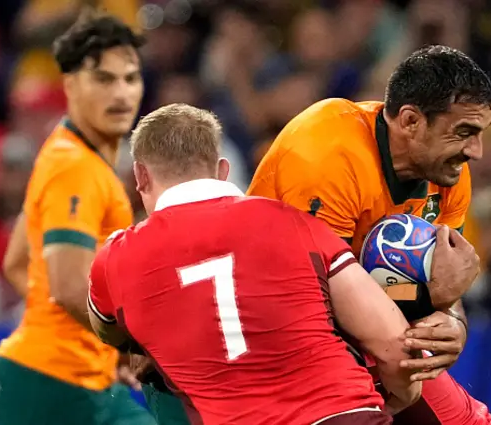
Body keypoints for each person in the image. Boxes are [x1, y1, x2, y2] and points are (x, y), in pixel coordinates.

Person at [87, 103, 423, 425]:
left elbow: (107, 330)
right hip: (342, 415)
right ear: (222, 170)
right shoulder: (294, 222)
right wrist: (398, 399)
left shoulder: (115, 258)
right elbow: (394, 345)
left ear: (140, 176)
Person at [248, 45, 491, 424]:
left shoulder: (447, 172)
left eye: (479, 133)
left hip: (368, 336)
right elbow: (314, 302)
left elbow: (445, 283)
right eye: (464, 132)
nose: (476, 152)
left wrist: (452, 323)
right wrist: (428, 297)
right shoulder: (328, 155)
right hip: (274, 336)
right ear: (411, 121)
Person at [0, 11, 157, 425]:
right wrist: (127, 347)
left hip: (45, 377)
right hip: (56, 384)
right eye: (103, 79)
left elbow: (17, 262)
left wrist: (89, 346)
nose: (121, 94)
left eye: (129, 78)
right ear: (71, 85)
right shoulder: (75, 167)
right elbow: (66, 284)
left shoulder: (61, 151)